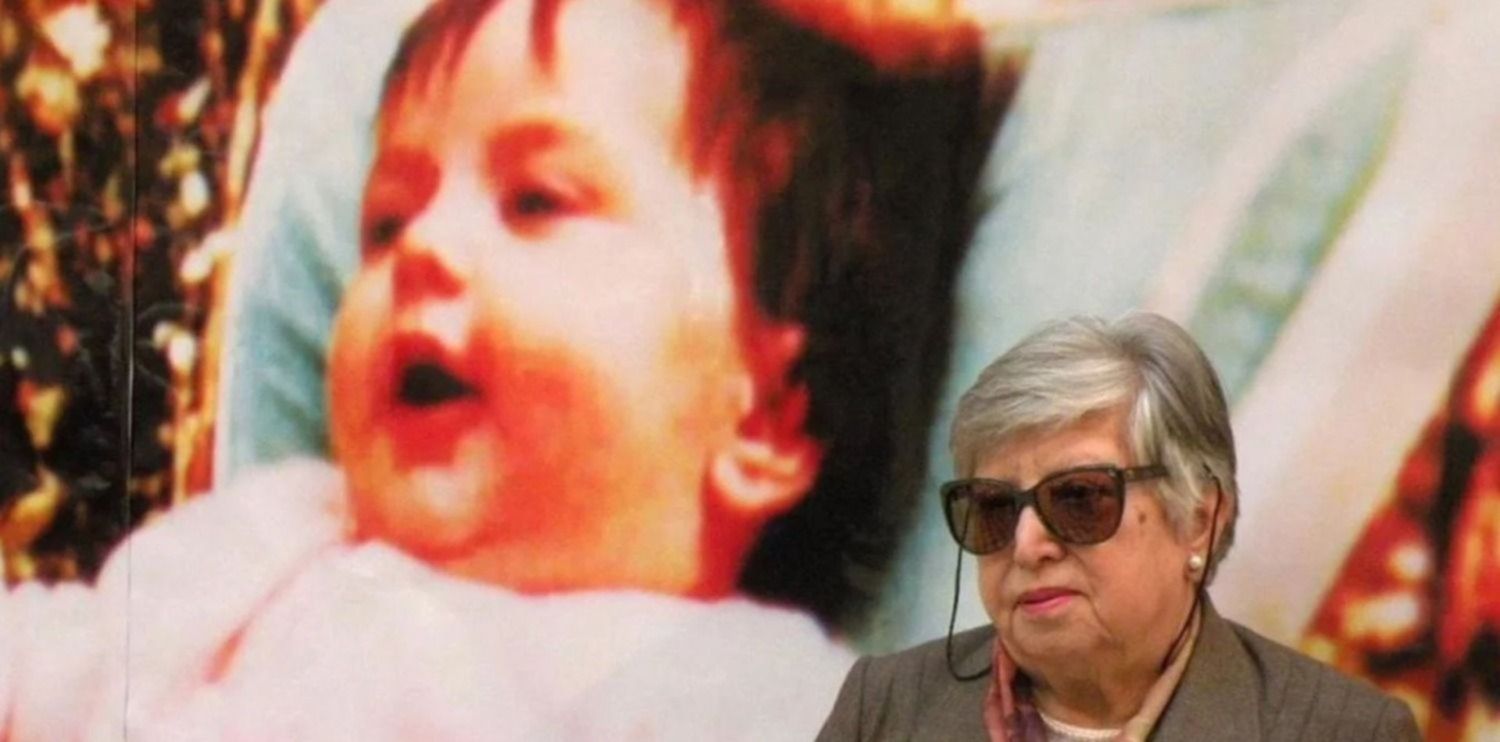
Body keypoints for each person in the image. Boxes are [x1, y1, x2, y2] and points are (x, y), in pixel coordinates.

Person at [1, 0, 1009, 738]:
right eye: (385, 220)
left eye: (537, 200)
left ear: (763, 416)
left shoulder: (731, 689)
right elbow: (60, 668)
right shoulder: (272, 539)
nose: (422, 250)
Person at [817, 313, 1420, 741]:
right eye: (996, 508)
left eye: (1078, 498)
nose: (1026, 545)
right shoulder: (887, 709)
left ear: (1199, 519)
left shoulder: (1343, 732)